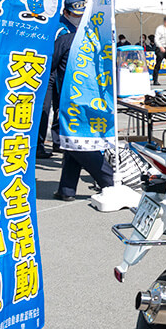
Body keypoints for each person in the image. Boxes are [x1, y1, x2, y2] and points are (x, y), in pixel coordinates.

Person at [51, 13, 114, 200]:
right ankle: (67, 189)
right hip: (96, 98)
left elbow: (49, 65)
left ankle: (108, 180)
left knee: (75, 143)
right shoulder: (101, 42)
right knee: (75, 141)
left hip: (71, 99)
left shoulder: (66, 40)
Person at [37, 0, 86, 158]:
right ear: (65, 12)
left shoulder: (79, 27)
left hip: (65, 71)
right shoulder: (59, 27)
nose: (78, 18)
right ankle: (38, 144)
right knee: (45, 108)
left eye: (80, 14)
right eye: (75, 14)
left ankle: (59, 142)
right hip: (51, 70)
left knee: (61, 106)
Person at [152, 16, 166, 86]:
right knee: (158, 64)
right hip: (161, 48)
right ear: (165, 22)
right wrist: (160, 47)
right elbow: (156, 39)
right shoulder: (160, 29)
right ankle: (155, 80)